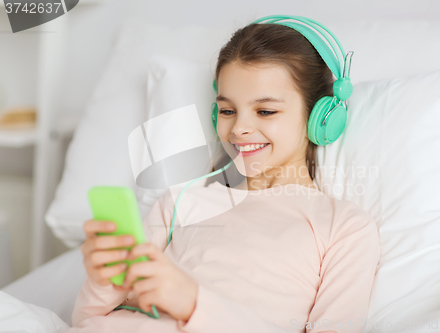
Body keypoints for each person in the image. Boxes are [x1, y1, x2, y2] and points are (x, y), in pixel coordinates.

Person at [64, 20, 381, 333]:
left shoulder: (344, 227)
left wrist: (194, 304)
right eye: (228, 111)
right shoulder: (181, 202)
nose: (238, 129)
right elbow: (87, 320)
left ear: (321, 118)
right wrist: (104, 279)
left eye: (265, 111)